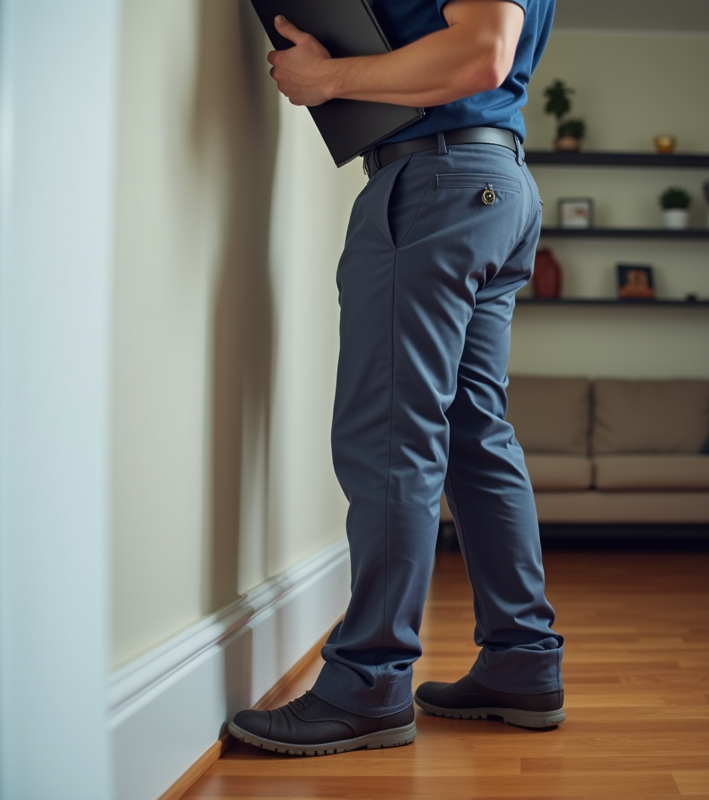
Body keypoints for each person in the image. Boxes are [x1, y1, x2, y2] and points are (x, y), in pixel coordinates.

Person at [227, 0, 563, 757]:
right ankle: (521, 659)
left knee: (390, 433)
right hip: (493, 177)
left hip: (437, 182)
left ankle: (370, 682)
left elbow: (482, 53)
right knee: (475, 435)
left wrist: (327, 76)